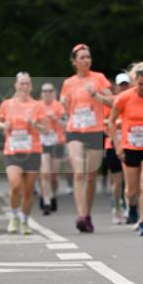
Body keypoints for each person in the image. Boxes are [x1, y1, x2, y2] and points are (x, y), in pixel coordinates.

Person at [60, 43, 113, 233]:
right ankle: (81, 215)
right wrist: (64, 104)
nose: (86, 60)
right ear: (74, 62)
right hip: (74, 130)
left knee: (91, 176)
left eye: (88, 57)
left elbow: (113, 101)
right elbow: (65, 109)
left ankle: (87, 214)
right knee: (79, 172)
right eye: (82, 57)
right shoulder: (68, 83)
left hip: (95, 130)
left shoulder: (99, 78)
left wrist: (96, 95)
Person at [0, 73, 48, 235]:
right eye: (21, 84)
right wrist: (5, 126)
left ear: (31, 87)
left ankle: (24, 220)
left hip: (33, 151)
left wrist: (34, 124)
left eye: (27, 84)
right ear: (16, 85)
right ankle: (14, 216)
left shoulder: (37, 106)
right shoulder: (7, 104)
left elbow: (45, 129)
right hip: (13, 151)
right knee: (16, 185)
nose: (24, 87)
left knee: (29, 190)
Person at [108, 65, 143, 236]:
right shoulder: (124, 98)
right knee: (131, 191)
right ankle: (133, 206)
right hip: (129, 147)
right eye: (140, 84)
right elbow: (111, 121)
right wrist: (117, 144)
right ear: (135, 82)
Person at [104, 73, 129, 224]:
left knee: (130, 180)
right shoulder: (111, 103)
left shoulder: (132, 100)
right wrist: (116, 123)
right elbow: (104, 123)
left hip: (129, 144)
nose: (124, 87)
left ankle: (129, 207)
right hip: (112, 144)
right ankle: (116, 208)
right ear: (116, 87)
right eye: (121, 85)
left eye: (126, 84)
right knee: (117, 180)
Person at [39, 83, 66, 214]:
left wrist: (55, 119)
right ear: (41, 93)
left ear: (54, 93)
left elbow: (66, 124)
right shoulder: (37, 106)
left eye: (50, 91)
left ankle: (53, 195)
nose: (47, 93)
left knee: (54, 175)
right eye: (45, 91)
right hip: (42, 142)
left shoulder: (59, 106)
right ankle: (46, 201)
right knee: (45, 173)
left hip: (57, 141)